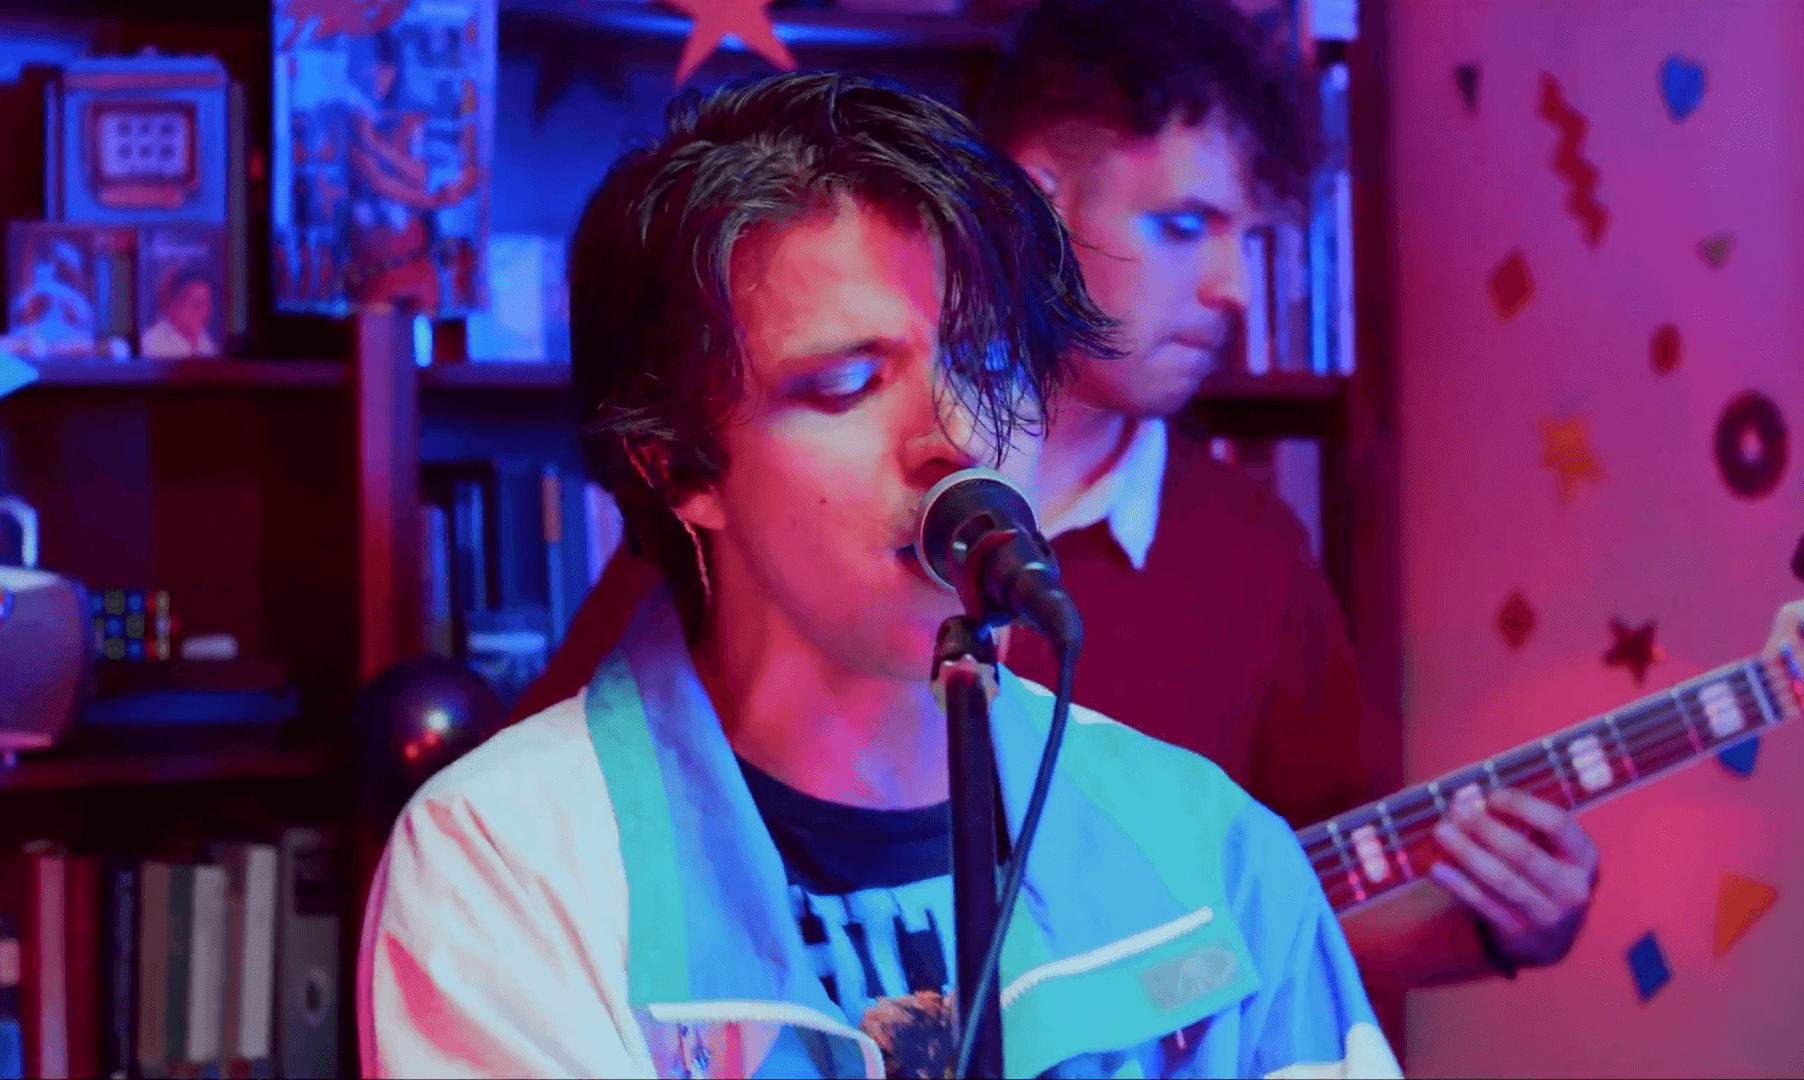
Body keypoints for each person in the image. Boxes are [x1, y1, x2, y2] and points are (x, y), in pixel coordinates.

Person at [514, 0, 1602, 1000]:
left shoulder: (1252, 546)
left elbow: (1267, 932)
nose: (1233, 288)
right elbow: (572, 851)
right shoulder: (772, 521)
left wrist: (1487, 929)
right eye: (1185, 225)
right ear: (1040, 208)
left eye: (1252, 240)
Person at [358, 72, 1399, 1079]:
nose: (959, 436)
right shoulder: (507, 862)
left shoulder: (1208, 841)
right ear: (677, 466)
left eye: (991, 365)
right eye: (850, 385)